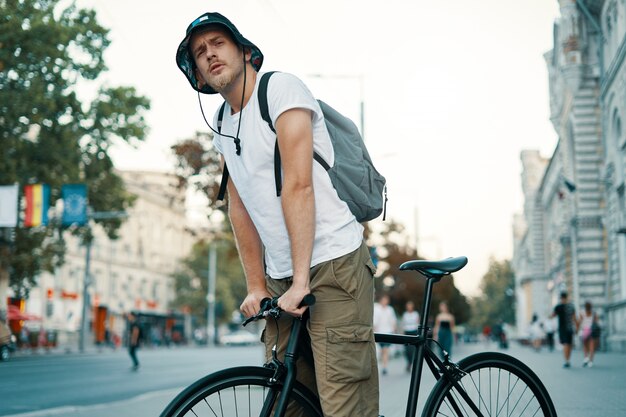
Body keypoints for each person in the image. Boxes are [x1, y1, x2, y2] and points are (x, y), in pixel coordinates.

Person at [175, 12, 379, 416]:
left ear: (244, 51)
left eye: (218, 43)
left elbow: (298, 185)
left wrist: (302, 281)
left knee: (343, 405)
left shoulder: (281, 90)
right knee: (290, 404)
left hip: (332, 264)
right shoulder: (222, 123)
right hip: (282, 275)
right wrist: (257, 286)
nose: (210, 54)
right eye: (200, 52)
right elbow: (239, 208)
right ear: (196, 71)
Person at [551, 291, 577, 368]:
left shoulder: (558, 307)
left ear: (561, 298)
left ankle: (566, 361)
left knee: (565, 344)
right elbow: (574, 318)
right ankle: (568, 359)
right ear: (567, 297)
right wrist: (577, 327)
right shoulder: (571, 306)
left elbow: (553, 315)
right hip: (570, 328)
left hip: (562, 329)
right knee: (569, 344)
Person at [373, 294, 397, 375]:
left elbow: (393, 320)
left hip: (388, 332)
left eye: (386, 300)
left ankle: (384, 367)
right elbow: (374, 320)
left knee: (385, 349)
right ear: (381, 300)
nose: (385, 301)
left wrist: (394, 329)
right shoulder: (377, 309)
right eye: (384, 300)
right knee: (381, 350)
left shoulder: (390, 309)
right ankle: (382, 365)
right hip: (379, 332)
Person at [401, 300, 420, 372]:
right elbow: (403, 324)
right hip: (407, 332)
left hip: (414, 332)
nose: (409, 307)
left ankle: (410, 363)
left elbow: (418, 323)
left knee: (411, 349)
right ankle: (409, 362)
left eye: (410, 305)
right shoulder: (405, 314)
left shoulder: (415, 314)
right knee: (407, 350)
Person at [578, 301, 599, 367]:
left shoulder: (582, 313)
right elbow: (596, 322)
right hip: (592, 331)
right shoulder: (593, 313)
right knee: (592, 347)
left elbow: (579, 322)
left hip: (584, 331)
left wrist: (578, 329)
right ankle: (591, 361)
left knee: (585, 346)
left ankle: (586, 358)